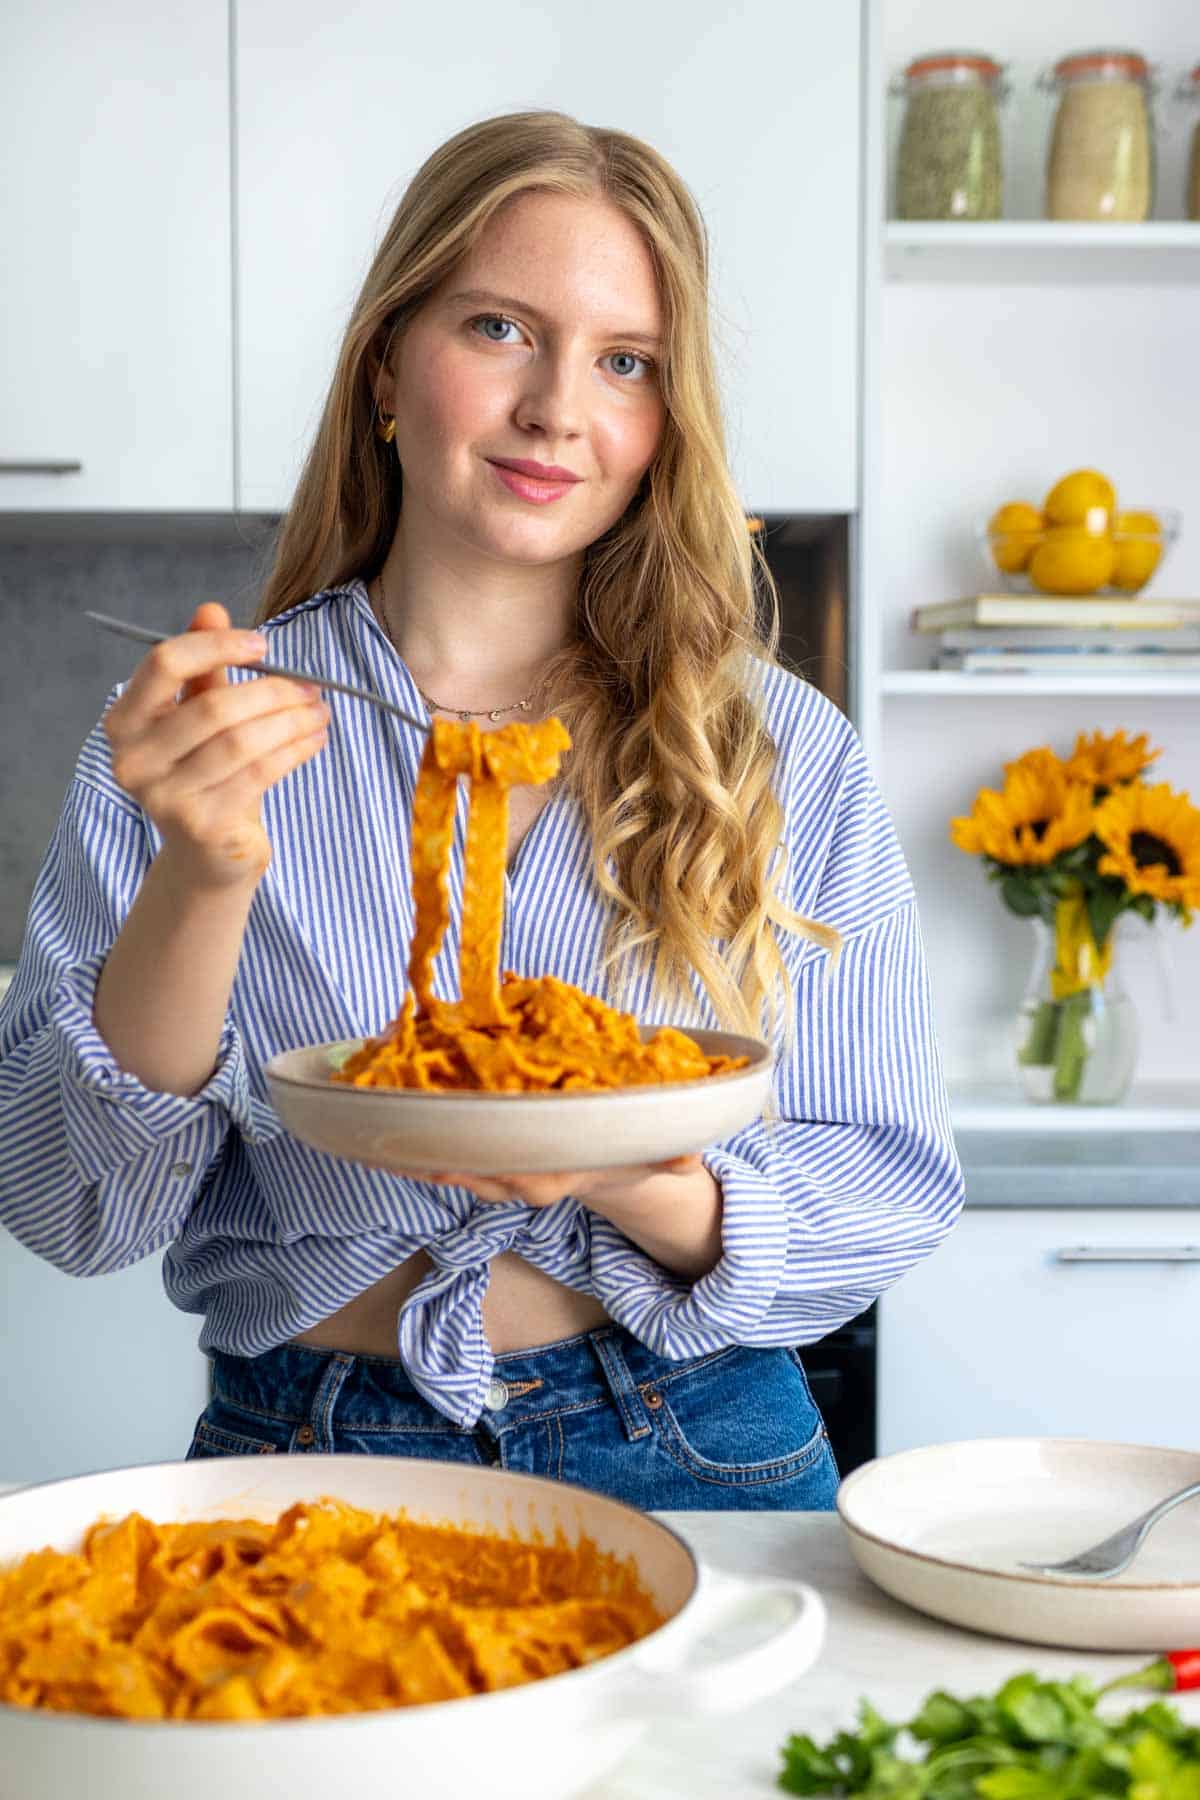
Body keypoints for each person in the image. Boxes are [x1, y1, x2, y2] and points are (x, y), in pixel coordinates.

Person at [0, 111, 964, 1509]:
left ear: (661, 421)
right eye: (501, 329)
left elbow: (884, 1187)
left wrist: (628, 1172)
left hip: (694, 1435)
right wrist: (201, 880)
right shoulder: (202, 736)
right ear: (390, 361)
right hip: (308, 1448)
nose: (556, 408)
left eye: (623, 361)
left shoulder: (773, 745)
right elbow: (72, 1211)